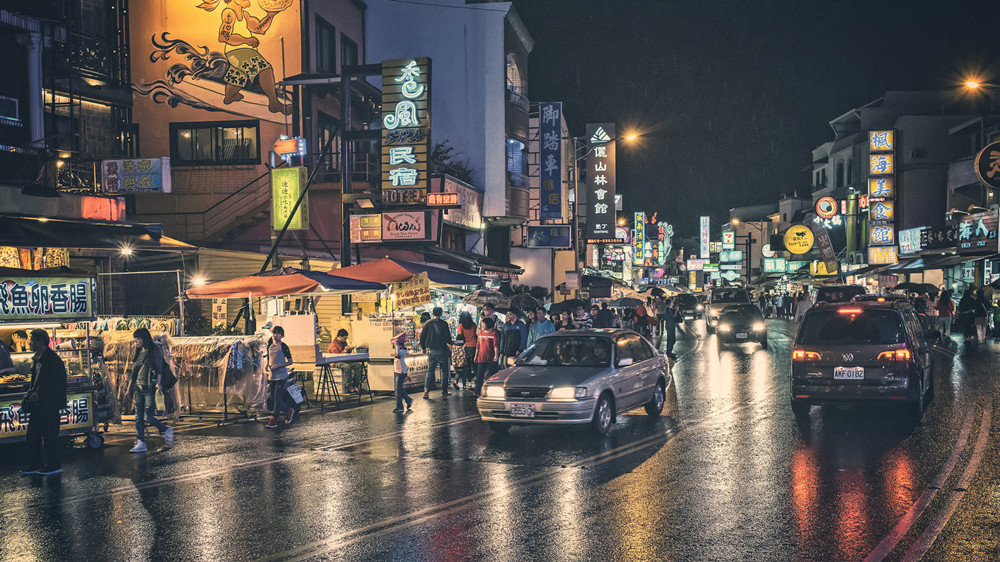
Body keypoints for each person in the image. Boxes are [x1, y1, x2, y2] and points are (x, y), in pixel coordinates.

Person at [20, 329, 67, 475]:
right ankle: (36, 463)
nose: (30, 343)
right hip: (39, 405)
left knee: (49, 436)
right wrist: (32, 393)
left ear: (40, 341)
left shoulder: (53, 359)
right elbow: (36, 381)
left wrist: (40, 394)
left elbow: (58, 384)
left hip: (50, 405)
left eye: (32, 340)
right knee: (33, 435)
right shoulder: (37, 359)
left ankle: (53, 465)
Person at [129, 328, 173, 453]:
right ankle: (141, 442)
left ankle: (166, 429)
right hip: (139, 387)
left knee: (147, 416)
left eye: (138, 339)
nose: (136, 341)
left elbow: (159, 368)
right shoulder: (138, 351)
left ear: (144, 338)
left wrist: (158, 384)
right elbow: (134, 371)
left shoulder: (154, 350)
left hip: (149, 388)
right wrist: (128, 389)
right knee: (138, 417)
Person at [264, 326, 295, 428]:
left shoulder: (284, 346)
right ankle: (288, 410)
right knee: (272, 397)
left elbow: (290, 361)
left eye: (277, 333)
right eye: (274, 333)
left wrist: (279, 365)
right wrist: (267, 364)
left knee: (277, 396)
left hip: (281, 376)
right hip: (272, 375)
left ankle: (274, 418)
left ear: (282, 335)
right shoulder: (270, 346)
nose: (275, 335)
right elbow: (269, 357)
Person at [420, 307, 453, 399]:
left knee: (430, 371)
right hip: (442, 350)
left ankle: (426, 390)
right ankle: (444, 390)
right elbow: (448, 338)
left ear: (432, 313)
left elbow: (422, 337)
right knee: (444, 371)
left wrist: (423, 347)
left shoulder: (427, 323)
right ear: (441, 314)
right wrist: (450, 345)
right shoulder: (444, 324)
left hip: (431, 351)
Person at [328, 328, 365, 394]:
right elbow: (336, 357)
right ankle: (348, 386)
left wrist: (349, 349)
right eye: (344, 338)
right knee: (347, 367)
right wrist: (345, 350)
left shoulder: (344, 342)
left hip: (344, 360)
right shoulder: (333, 345)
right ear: (340, 336)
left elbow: (346, 354)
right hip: (335, 362)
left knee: (358, 366)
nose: (345, 340)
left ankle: (356, 385)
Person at [474, 317, 500, 396]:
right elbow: (477, 345)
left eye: (483, 324)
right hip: (481, 358)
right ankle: (478, 392)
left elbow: (496, 345)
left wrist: (496, 355)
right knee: (479, 375)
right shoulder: (480, 333)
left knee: (493, 375)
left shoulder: (494, 333)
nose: (482, 325)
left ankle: (493, 392)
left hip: (491, 358)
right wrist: (476, 356)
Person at [391, 333, 413, 413]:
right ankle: (408, 400)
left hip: (401, 371)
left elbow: (397, 354)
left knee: (398, 390)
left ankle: (400, 407)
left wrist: (396, 344)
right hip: (397, 371)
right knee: (399, 389)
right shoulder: (400, 350)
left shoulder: (403, 351)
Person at [456, 311, 478, 390]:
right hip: (475, 346)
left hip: (466, 347)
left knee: (468, 365)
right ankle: (476, 379)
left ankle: (469, 382)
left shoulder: (460, 326)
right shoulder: (474, 325)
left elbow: (460, 338)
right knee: (475, 364)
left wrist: (455, 343)